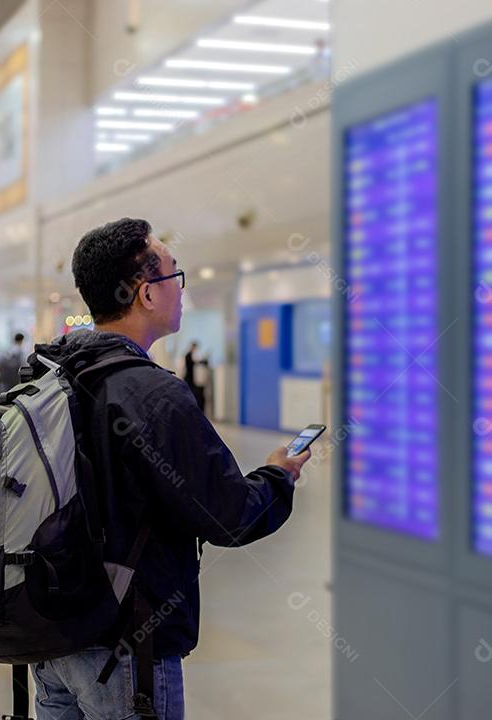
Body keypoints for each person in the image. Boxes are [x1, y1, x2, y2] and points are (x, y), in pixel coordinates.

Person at [28, 217, 310, 719]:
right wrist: (278, 475)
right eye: (175, 275)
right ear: (146, 294)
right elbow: (229, 514)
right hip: (125, 650)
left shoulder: (53, 374)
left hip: (52, 637)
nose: (181, 290)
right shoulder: (153, 394)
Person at [182, 341, 206, 411]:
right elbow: (193, 363)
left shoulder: (191, 355)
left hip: (192, 379)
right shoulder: (189, 355)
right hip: (189, 378)